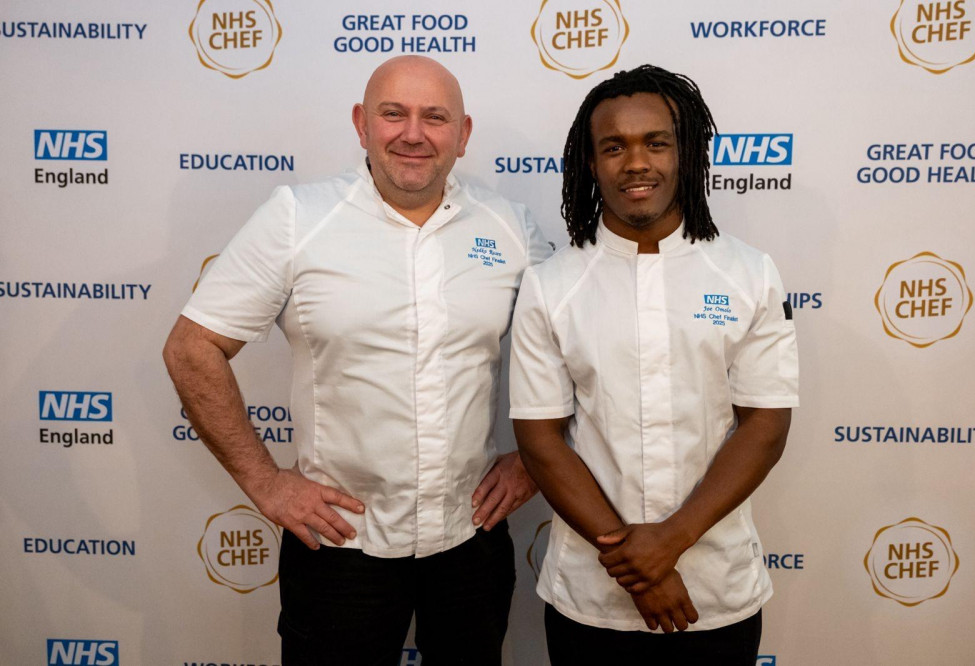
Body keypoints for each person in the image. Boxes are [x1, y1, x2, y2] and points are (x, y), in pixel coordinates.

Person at [163, 55, 551, 665]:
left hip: (470, 540)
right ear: (361, 123)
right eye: (393, 113)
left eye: (435, 117)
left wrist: (536, 461)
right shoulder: (298, 217)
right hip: (339, 545)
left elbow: (571, 349)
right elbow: (192, 348)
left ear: (463, 134)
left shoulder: (509, 226)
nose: (413, 133)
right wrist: (265, 483)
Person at [509, 65, 799, 664]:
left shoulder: (749, 274)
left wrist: (671, 541)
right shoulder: (551, 284)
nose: (636, 163)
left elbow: (766, 425)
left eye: (656, 143)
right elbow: (539, 438)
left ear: (685, 153)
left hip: (715, 590)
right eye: (614, 147)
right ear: (591, 163)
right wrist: (638, 566)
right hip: (591, 595)